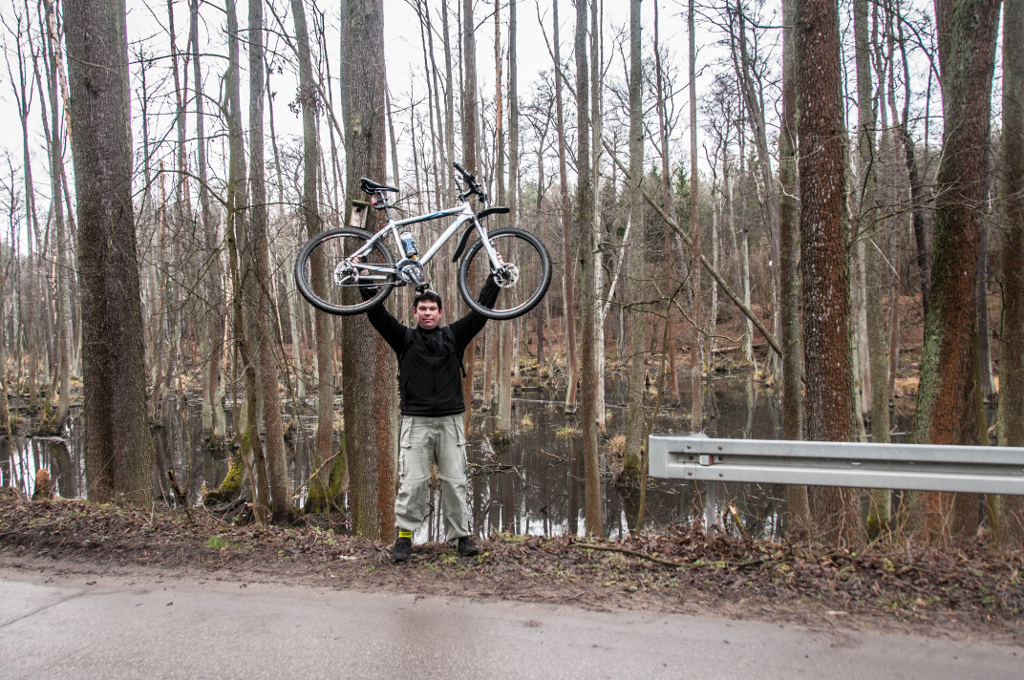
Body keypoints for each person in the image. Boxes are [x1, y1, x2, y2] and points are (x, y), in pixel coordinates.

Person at [360, 272, 501, 563]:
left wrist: (495, 279)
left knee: (454, 480)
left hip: (451, 421)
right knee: (412, 482)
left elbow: (481, 313)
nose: (427, 313)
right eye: (422, 309)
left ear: (440, 313)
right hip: (416, 422)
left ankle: (460, 537)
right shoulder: (404, 338)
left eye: (432, 309)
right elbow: (376, 313)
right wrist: (365, 281)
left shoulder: (454, 336)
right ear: (415, 313)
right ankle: (404, 539)